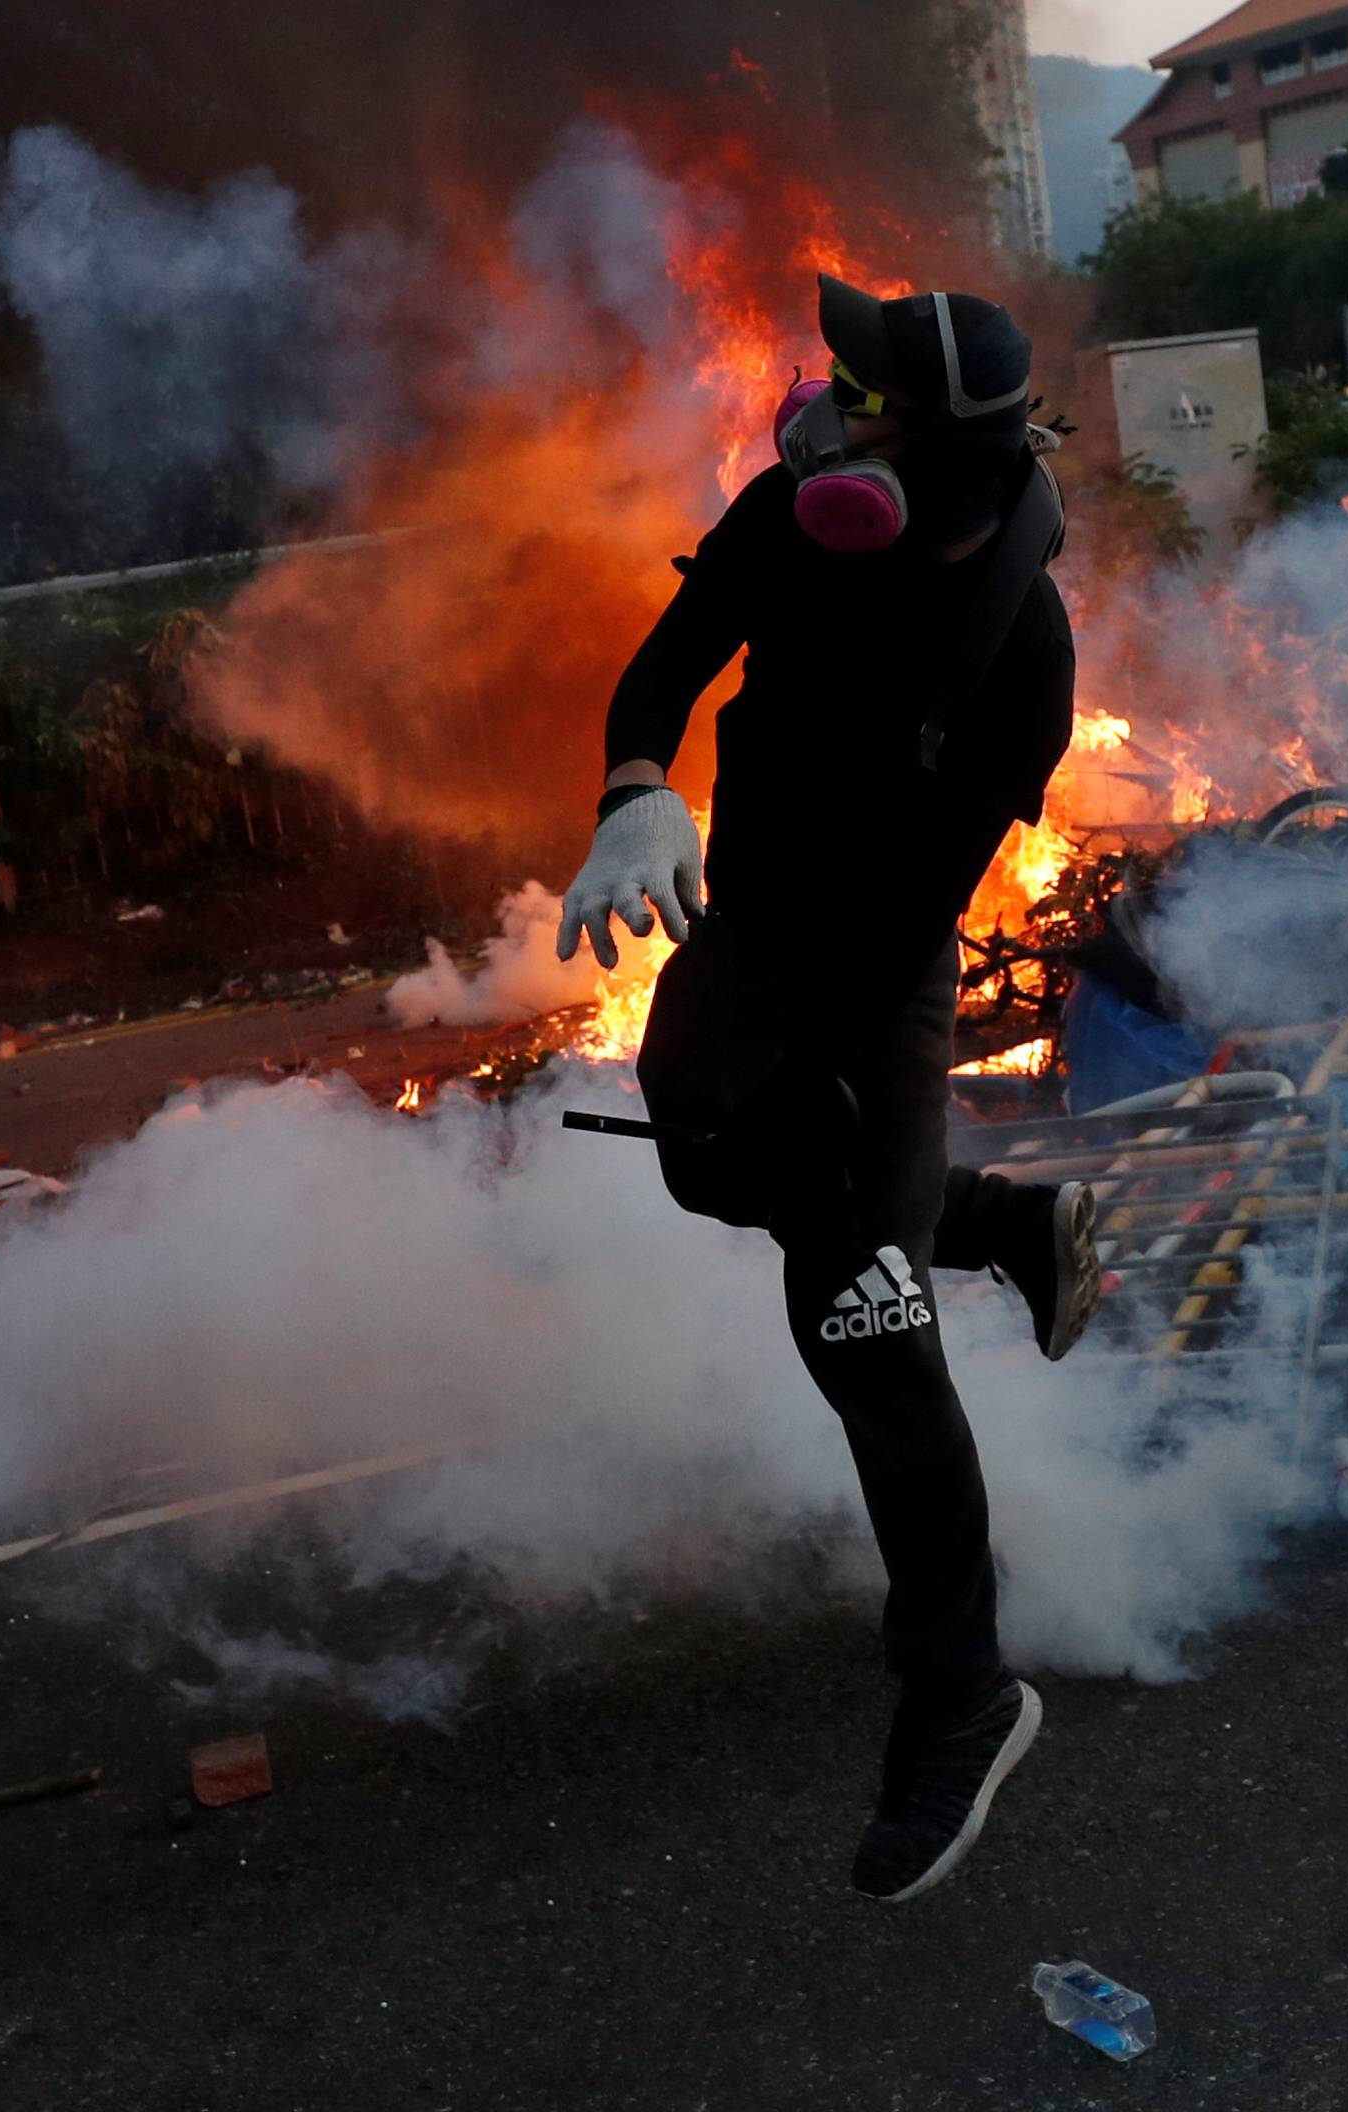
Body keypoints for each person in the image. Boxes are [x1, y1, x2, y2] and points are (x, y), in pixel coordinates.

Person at [556, 273, 1099, 1903]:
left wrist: (833, 1092)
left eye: (857, 399)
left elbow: (918, 898)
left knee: (855, 1310)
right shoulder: (794, 518)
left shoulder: (1025, 647)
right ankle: (1000, 1219)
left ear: (929, 455)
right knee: (704, 1150)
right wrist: (638, 794)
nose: (815, 415)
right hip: (749, 910)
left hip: (874, 960)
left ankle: (964, 1691)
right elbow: (663, 667)